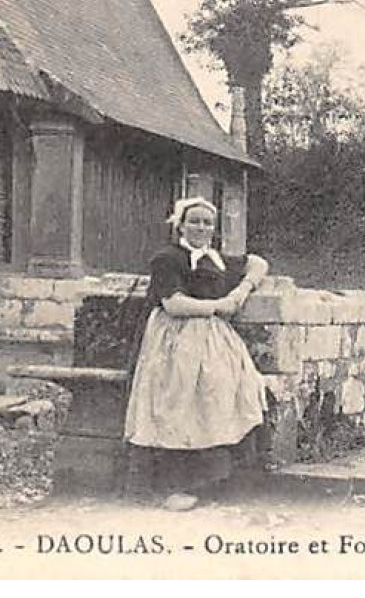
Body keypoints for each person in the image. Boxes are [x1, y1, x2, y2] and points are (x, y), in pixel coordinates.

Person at [123, 196, 269, 511]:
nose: (201, 227)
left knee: (224, 395)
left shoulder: (215, 259)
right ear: (180, 225)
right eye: (194, 221)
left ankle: (214, 482)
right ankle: (169, 487)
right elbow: (173, 304)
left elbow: (258, 263)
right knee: (176, 402)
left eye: (207, 223)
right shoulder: (168, 258)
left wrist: (241, 291)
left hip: (214, 339)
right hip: (175, 338)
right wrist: (218, 306)